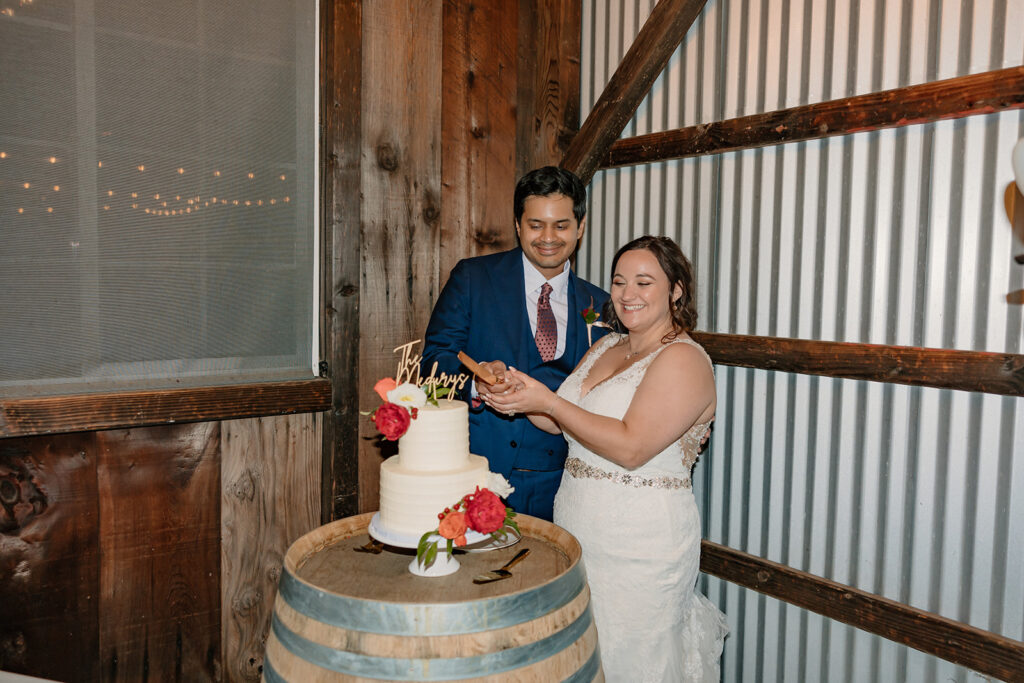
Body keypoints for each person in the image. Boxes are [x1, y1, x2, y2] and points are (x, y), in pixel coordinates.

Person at [485, 235, 728, 682]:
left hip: (642, 544)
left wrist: (551, 403)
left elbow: (631, 447)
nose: (627, 294)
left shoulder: (684, 360)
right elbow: (562, 422)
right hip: (580, 527)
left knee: (630, 657)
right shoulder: (606, 347)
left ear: (675, 290)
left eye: (644, 282)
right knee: (582, 654)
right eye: (619, 282)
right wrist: (518, 395)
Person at [420, 166, 611, 521]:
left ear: (580, 227)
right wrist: (475, 384)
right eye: (536, 224)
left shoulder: (600, 305)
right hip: (479, 475)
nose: (548, 237)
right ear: (518, 225)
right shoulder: (473, 279)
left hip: (568, 485)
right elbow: (433, 361)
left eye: (561, 225)